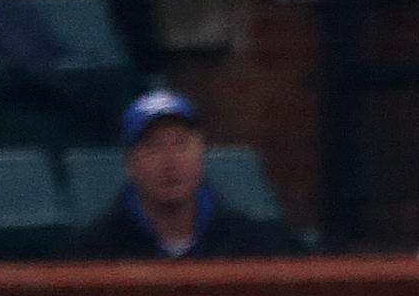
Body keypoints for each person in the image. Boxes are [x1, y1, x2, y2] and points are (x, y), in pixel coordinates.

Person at [70, 91, 305, 259]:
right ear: (131, 165)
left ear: (201, 155)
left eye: (181, 144)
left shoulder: (251, 243)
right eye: (153, 147)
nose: (170, 162)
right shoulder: (95, 251)